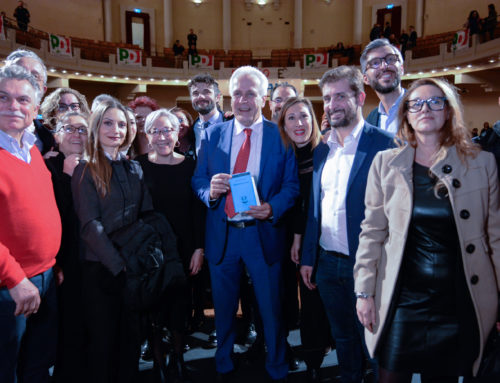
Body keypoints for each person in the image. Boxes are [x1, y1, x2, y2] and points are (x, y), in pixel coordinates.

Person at [354, 77, 500, 382]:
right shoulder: (385, 164)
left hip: (458, 300)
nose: (426, 109)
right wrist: (364, 292)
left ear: (448, 112)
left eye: (435, 101)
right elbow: (372, 233)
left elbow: (496, 238)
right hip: (402, 301)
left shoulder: (482, 164)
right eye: (416, 103)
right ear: (406, 114)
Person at [192, 65, 299, 383]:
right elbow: (197, 179)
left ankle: (277, 367)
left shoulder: (280, 136)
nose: (242, 100)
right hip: (223, 236)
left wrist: (272, 207)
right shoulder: (213, 135)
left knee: (271, 310)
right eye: (236, 93)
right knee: (224, 311)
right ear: (229, 97)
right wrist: (208, 191)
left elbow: (292, 186)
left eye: (250, 93)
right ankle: (223, 364)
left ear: (263, 98)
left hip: (262, 235)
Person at [301, 66, 394, 383]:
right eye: (327, 98)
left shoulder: (385, 145)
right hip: (327, 266)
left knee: (375, 345)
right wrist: (308, 257)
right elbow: (316, 208)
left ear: (360, 97)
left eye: (341, 95)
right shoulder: (322, 151)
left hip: (367, 267)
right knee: (343, 340)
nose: (332, 104)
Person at [72, 100, 153, 383]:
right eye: (108, 123)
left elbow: (144, 216)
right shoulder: (86, 169)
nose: (116, 130)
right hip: (102, 270)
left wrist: (141, 259)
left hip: (132, 268)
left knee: (130, 342)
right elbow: (89, 227)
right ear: (96, 127)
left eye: (121, 124)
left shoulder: (134, 168)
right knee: (103, 345)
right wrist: (120, 266)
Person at [0, 65, 61, 382]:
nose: (13, 106)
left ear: (35, 109)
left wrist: (52, 262)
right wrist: (14, 279)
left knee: (37, 365)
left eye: (23, 100)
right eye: (3, 97)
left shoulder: (31, 150)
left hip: (45, 277)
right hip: (10, 286)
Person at [138, 109, 205, 382]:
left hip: (185, 249)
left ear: (178, 134)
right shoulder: (138, 166)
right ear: (147, 136)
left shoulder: (191, 166)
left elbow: (198, 212)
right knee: (154, 309)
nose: (162, 136)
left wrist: (199, 249)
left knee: (180, 307)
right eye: (156, 130)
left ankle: (178, 359)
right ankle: (158, 362)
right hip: (150, 250)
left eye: (168, 130)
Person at [277, 97, 330, 383]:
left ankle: (318, 356)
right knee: (287, 298)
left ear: (314, 119)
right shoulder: (279, 155)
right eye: (291, 118)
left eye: (304, 116)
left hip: (319, 236)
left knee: (316, 298)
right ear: (282, 124)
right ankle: (305, 355)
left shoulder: (327, 151)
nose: (299, 123)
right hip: (283, 234)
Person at [45, 111, 89, 383]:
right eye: (69, 129)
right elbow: (54, 215)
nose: (76, 134)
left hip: (93, 260)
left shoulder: (97, 164)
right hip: (62, 261)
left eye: (82, 129)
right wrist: (65, 175)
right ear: (57, 135)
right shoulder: (47, 167)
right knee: (65, 327)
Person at [5, 48, 55, 154]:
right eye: (19, 72)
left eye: (35, 76)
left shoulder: (48, 138)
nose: (27, 79)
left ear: (43, 89)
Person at [361, 38, 405, 136]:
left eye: (390, 59)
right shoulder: (371, 120)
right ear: (366, 79)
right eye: (375, 63)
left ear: (401, 69)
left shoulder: (422, 107)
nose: (384, 66)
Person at [188, 73, 231, 155]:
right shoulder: (192, 130)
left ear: (217, 97)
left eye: (206, 92)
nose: (201, 97)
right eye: (195, 93)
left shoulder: (231, 123)